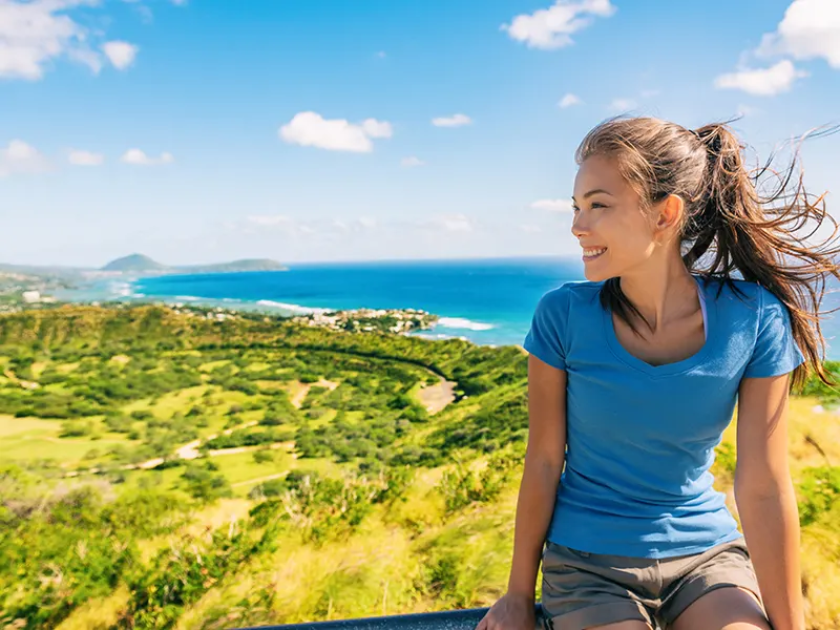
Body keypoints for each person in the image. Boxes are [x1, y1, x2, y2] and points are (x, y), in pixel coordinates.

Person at [476, 117, 840, 630]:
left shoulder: (754, 317)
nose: (578, 226)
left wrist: (791, 626)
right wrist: (516, 595)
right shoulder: (562, 316)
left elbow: (763, 483)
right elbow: (541, 462)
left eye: (598, 205)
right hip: (587, 565)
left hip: (708, 562)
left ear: (665, 213)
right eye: (576, 207)